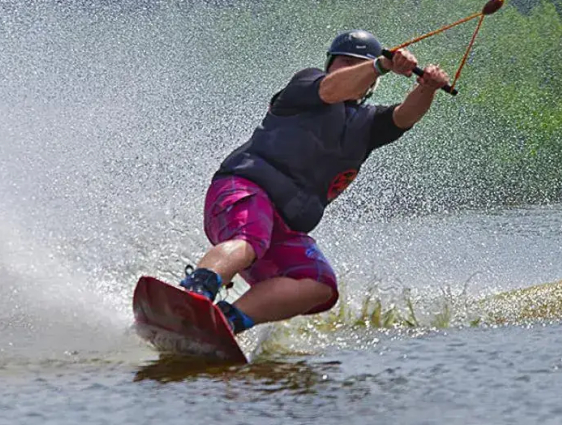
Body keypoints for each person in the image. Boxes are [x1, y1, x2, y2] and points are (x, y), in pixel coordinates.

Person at [176, 30, 451, 332]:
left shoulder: (370, 124)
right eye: (344, 61)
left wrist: (428, 88)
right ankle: (194, 293)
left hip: (286, 226)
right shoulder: (307, 85)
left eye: (359, 64)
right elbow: (333, 90)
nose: (349, 68)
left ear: (373, 86)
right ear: (330, 64)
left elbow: (404, 116)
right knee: (250, 239)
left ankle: (224, 323)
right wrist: (379, 65)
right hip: (244, 190)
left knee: (320, 285)